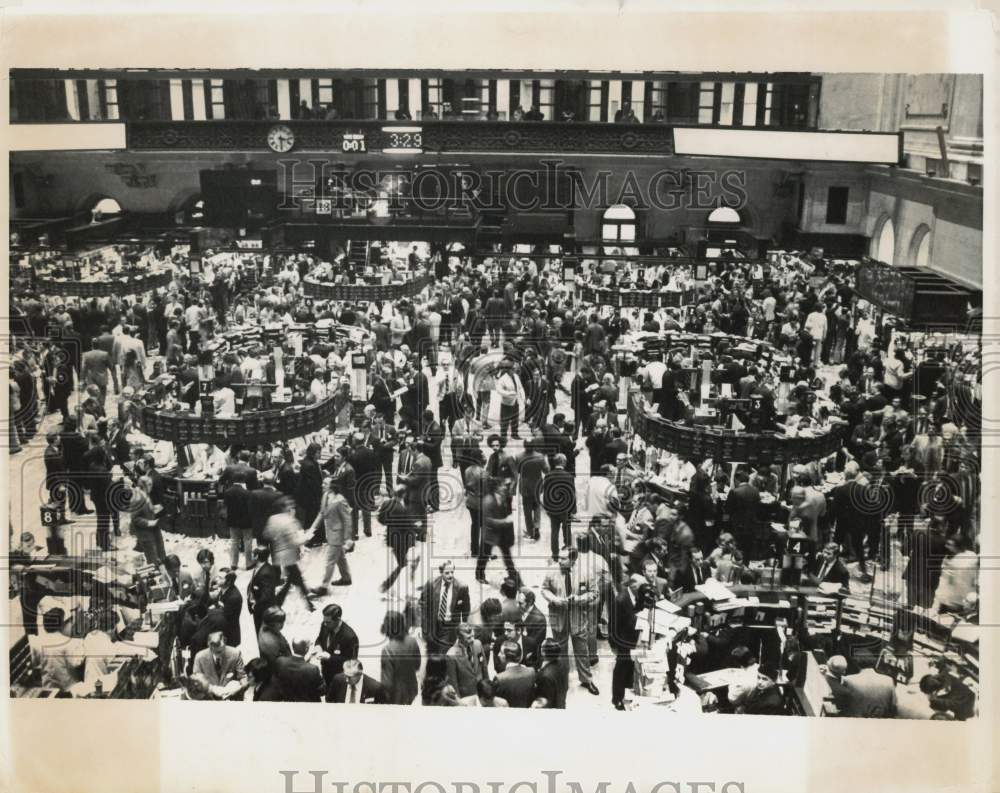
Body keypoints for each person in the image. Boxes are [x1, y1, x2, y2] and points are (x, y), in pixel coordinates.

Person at [542, 546, 599, 695]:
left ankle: (586, 680)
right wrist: (554, 599)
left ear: (573, 559)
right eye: (559, 557)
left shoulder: (586, 572)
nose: (559, 561)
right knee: (560, 650)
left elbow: (594, 592)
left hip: (578, 617)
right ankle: (562, 678)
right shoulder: (551, 570)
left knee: (582, 650)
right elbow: (544, 589)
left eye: (563, 558)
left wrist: (579, 599)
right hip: (558, 615)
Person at [264, 496, 313, 612]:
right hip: (289, 556)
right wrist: (306, 538)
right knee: (294, 579)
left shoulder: (272, 519)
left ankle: (307, 602)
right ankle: (279, 602)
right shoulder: (290, 521)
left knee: (295, 578)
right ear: (285, 507)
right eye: (290, 505)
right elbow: (294, 541)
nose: (292, 508)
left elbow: (267, 534)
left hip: (277, 554)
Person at [308, 478, 353, 593]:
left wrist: (348, 538)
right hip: (330, 532)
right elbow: (322, 513)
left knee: (329, 560)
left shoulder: (340, 500)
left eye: (325, 483)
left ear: (332, 486)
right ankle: (346, 578)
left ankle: (323, 586)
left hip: (337, 534)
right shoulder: (325, 496)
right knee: (340, 557)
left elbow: (347, 520)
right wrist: (312, 529)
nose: (322, 485)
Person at [476, 476, 520, 586]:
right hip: (490, 534)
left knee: (507, 555)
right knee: (484, 556)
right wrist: (505, 521)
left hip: (501, 534)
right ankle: (479, 574)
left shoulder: (502, 497)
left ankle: (512, 574)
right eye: (502, 486)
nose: (504, 487)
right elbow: (488, 520)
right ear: (496, 488)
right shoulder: (488, 501)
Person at [420, 560, 471, 655]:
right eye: (447, 573)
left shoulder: (462, 587)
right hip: (434, 624)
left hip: (449, 626)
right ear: (441, 572)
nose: (450, 575)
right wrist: (424, 625)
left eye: (452, 572)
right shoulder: (431, 584)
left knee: (443, 652)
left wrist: (464, 624)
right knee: (432, 650)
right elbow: (423, 604)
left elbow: (466, 608)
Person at [609, 573, 644, 710]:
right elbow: (612, 625)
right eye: (641, 586)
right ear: (633, 585)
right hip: (623, 641)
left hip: (634, 638)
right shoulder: (620, 600)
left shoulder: (637, 594)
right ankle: (617, 698)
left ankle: (628, 691)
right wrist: (614, 645)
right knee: (620, 669)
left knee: (630, 666)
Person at [380, 610, 422, 705]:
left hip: (395, 695)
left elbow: (387, 682)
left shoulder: (387, 650)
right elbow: (417, 665)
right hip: (411, 688)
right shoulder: (412, 641)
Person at [313, 603, 359, 688]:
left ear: (338, 619)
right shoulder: (325, 625)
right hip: (326, 673)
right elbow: (320, 638)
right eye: (324, 621)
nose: (325, 624)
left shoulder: (350, 637)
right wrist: (318, 646)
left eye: (328, 622)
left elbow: (351, 662)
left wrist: (330, 658)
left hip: (340, 679)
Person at [191, 630, 246, 700]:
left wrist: (238, 687)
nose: (219, 654)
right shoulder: (199, 657)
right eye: (216, 651)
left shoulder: (235, 654)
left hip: (232, 699)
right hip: (209, 699)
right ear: (209, 646)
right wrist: (212, 689)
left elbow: (243, 678)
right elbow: (196, 683)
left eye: (222, 650)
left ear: (225, 643)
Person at [515, 437, 550, 541]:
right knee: (537, 506)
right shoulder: (540, 457)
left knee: (527, 510)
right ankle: (537, 527)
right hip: (537, 485)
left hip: (525, 486)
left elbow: (516, 471)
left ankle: (530, 532)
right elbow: (546, 470)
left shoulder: (518, 457)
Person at [272, 635, 325, 703]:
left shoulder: (280, 662)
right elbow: (322, 691)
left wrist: (305, 660)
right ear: (306, 649)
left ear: (293, 647)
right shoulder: (313, 669)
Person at [444, 622, 487, 698]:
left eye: (473, 636)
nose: (473, 640)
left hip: (482, 694)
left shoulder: (478, 644)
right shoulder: (451, 655)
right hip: (466, 697)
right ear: (459, 637)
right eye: (468, 638)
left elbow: (484, 668)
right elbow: (453, 684)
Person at [247, 546, 281, 636]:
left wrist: (255, 604)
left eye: (253, 553)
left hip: (263, 611)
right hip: (260, 609)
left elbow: (267, 594)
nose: (251, 555)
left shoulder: (266, 572)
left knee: (262, 634)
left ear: (257, 556)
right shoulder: (261, 567)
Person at [494, 642, 537, 707]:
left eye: (501, 652)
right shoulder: (531, 672)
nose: (498, 654)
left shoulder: (499, 679)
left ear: (505, 657)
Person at [532, 638, 568, 709]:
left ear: (543, 653)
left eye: (541, 647)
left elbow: (545, 700)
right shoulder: (563, 664)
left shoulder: (545, 677)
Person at [257, 605, 292, 672]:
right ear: (272, 623)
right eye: (280, 622)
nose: (282, 624)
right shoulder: (270, 643)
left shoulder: (267, 626)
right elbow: (280, 664)